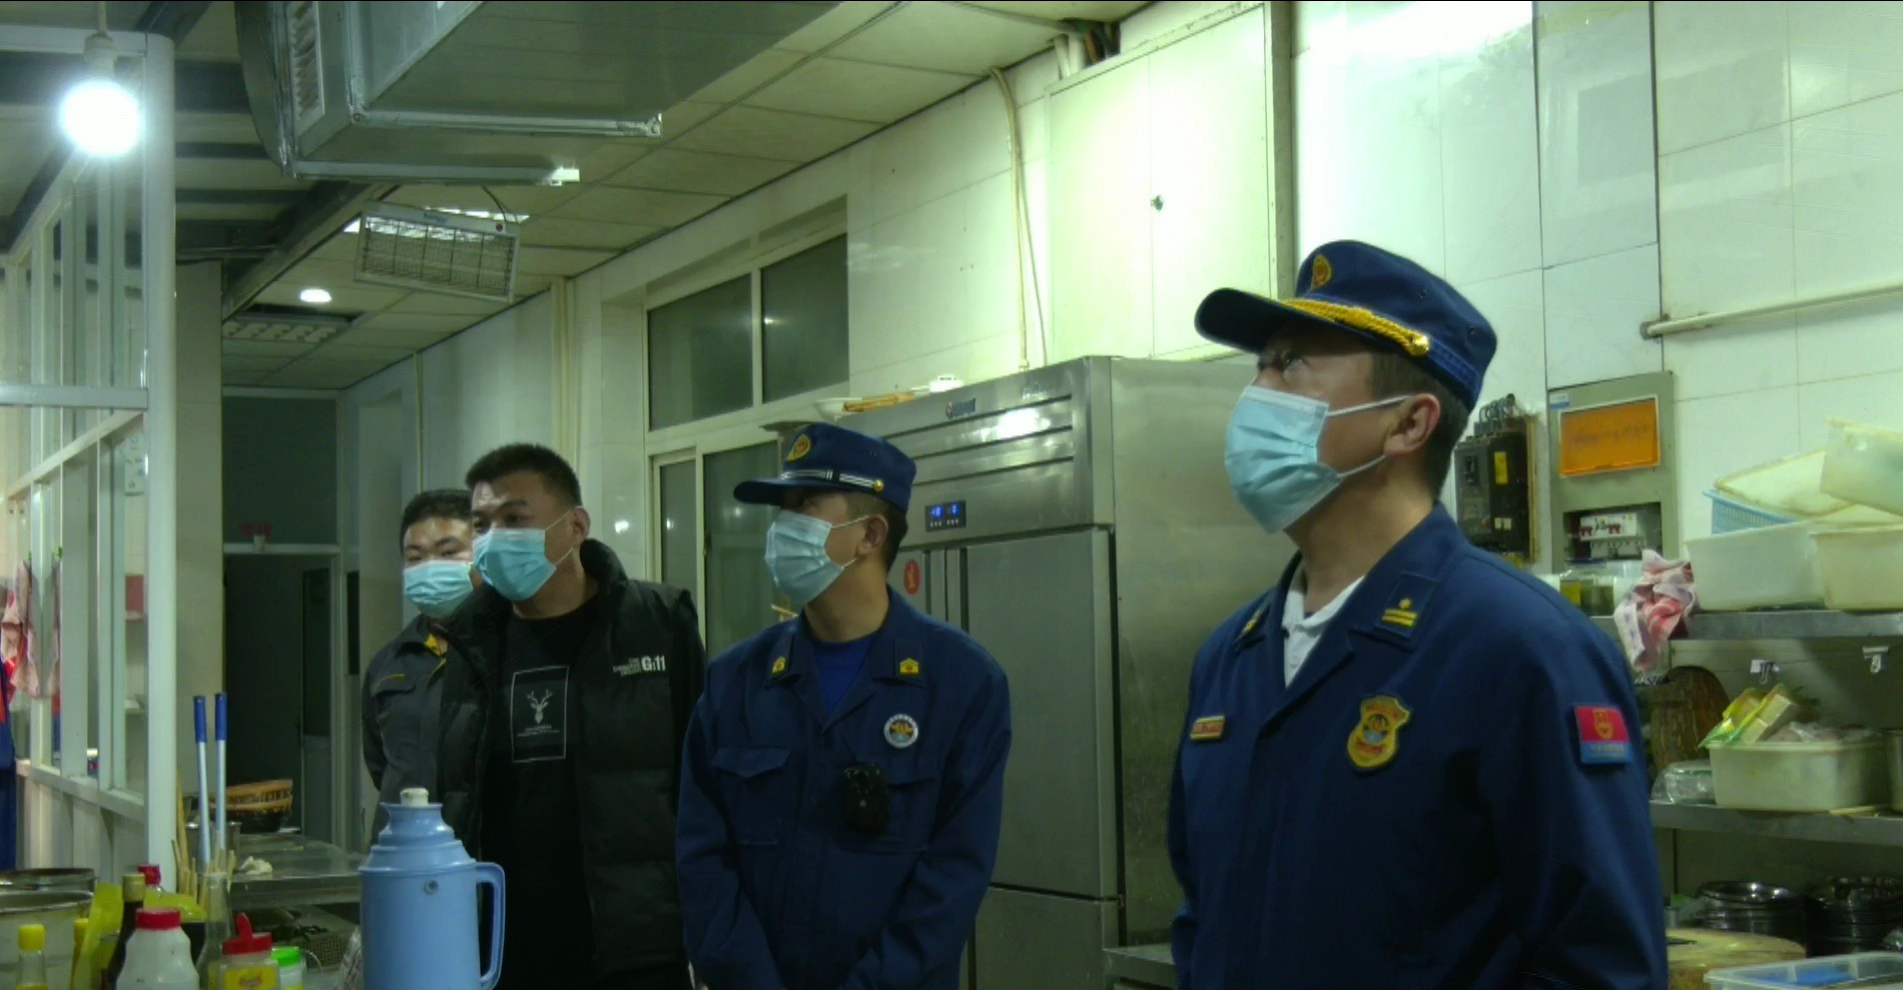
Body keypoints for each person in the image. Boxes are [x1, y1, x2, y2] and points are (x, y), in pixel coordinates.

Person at [1168, 241, 1665, 990]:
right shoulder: (1230, 656)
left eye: (1292, 363)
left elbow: (1601, 969)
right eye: (1260, 365)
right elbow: (1205, 919)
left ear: (1407, 424)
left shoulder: (1520, 649)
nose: (1256, 393)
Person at [677, 422, 1011, 990]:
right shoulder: (735, 682)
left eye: (805, 505)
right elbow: (701, 859)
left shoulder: (961, 684)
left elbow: (953, 876)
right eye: (782, 509)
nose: (781, 528)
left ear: (870, 534)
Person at [435, 444, 705, 990]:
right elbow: (457, 795)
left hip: (633, 947)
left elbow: (702, 784)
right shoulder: (471, 644)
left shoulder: (657, 625)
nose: (493, 538)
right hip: (506, 948)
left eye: (514, 519)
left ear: (575, 527)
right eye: (481, 524)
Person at [361, 489, 476, 838]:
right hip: (402, 848)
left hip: (483, 852)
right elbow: (381, 765)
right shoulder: (388, 663)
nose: (429, 568)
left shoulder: (514, 651)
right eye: (415, 557)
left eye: (449, 552)